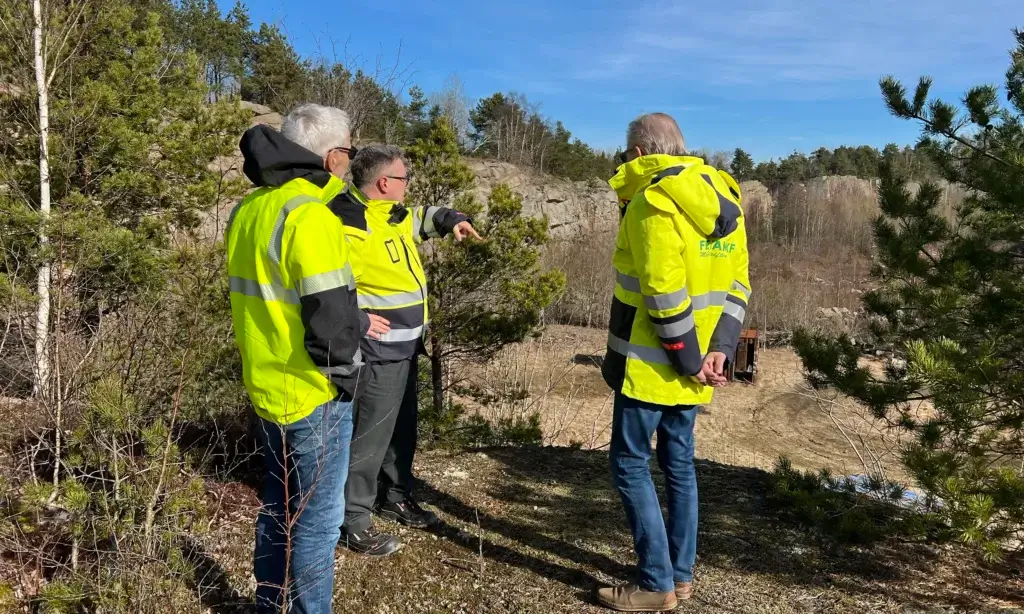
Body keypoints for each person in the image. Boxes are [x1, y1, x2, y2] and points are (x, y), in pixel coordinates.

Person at [225, 104, 389, 613]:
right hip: (313, 392)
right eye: (349, 152)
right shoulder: (310, 216)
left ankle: (268, 604)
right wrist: (344, 379)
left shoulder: (249, 208)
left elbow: (277, 300)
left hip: (266, 385)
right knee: (318, 522)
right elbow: (331, 320)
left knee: (277, 505)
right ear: (335, 156)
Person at [597, 113, 751, 612]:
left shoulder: (653, 202)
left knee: (630, 464)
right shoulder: (725, 194)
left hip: (652, 365)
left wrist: (689, 362)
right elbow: (738, 285)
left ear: (640, 153)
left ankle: (655, 586)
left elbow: (663, 294)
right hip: (698, 360)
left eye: (626, 155)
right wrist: (718, 352)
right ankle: (679, 577)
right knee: (680, 464)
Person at [328, 144, 481, 556]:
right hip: (376, 353)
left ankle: (394, 497)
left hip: (407, 347)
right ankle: (352, 519)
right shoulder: (345, 221)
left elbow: (425, 217)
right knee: (369, 436)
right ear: (383, 183)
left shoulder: (391, 214)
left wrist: (454, 221)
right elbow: (324, 283)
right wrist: (357, 319)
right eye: (403, 179)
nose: (408, 186)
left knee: (400, 431)